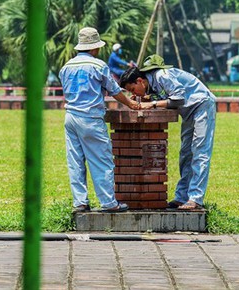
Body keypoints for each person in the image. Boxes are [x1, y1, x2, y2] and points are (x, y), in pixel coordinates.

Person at [119, 55, 216, 211]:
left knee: (200, 152)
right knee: (185, 154)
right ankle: (181, 197)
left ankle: (196, 199)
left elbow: (178, 99)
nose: (134, 93)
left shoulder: (162, 75)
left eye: (132, 89)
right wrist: (146, 99)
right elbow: (164, 97)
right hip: (189, 112)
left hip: (201, 105)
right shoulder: (152, 85)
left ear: (139, 81)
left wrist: (152, 104)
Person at [59, 27, 140, 213]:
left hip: (70, 117)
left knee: (75, 162)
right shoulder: (98, 65)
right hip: (91, 118)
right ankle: (109, 203)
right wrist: (131, 104)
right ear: (94, 48)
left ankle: (80, 202)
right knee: (102, 161)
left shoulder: (66, 67)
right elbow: (114, 90)